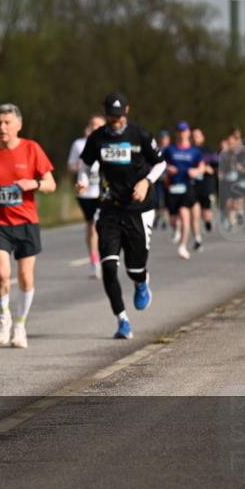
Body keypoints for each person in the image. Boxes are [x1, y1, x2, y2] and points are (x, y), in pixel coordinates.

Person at [77, 93, 166, 340]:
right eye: (110, 116)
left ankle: (141, 281)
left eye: (118, 116)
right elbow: (84, 165)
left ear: (127, 111)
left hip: (138, 208)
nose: (114, 121)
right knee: (108, 267)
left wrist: (146, 182)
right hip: (109, 208)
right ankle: (122, 321)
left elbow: (160, 164)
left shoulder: (141, 135)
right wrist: (82, 181)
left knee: (134, 268)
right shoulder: (98, 138)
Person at [0, 103, 56, 350]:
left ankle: (20, 324)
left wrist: (34, 184)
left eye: (7, 123)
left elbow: (51, 184)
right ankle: (3, 316)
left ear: (18, 125)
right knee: (2, 273)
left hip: (27, 222)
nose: (2, 127)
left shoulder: (32, 149)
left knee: (25, 276)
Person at [67, 115, 106, 278]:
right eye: (93, 125)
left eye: (99, 125)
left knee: (101, 225)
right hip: (86, 193)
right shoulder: (79, 144)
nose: (95, 128)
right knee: (91, 226)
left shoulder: (110, 144)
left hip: (103, 191)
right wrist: (83, 167)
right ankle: (94, 261)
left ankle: (106, 258)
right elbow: (71, 166)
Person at [162, 121, 205, 259]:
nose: (182, 134)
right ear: (177, 133)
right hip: (172, 187)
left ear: (188, 133)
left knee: (185, 214)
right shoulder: (170, 150)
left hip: (187, 186)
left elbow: (202, 166)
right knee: (174, 219)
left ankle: (182, 245)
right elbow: (161, 163)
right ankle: (176, 229)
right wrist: (168, 168)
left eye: (184, 131)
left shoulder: (194, 151)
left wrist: (196, 171)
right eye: (179, 131)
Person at [192, 127, 219, 233]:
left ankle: (207, 221)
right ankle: (196, 230)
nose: (195, 138)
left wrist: (210, 169)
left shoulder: (209, 150)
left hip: (206, 183)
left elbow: (217, 166)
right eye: (193, 136)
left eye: (197, 136)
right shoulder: (189, 150)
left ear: (203, 137)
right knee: (195, 207)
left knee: (206, 208)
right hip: (193, 183)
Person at [153, 130, 171, 230]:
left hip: (168, 179)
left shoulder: (171, 150)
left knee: (166, 200)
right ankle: (158, 217)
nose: (164, 140)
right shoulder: (157, 150)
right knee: (158, 199)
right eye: (162, 138)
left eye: (166, 138)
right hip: (158, 179)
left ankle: (165, 219)